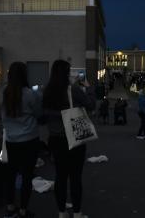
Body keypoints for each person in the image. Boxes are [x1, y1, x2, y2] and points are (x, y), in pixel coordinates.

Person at [43, 59, 95, 218]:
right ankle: (77, 213)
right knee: (75, 177)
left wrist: (57, 115)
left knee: (60, 176)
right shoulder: (73, 90)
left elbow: (43, 114)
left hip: (55, 139)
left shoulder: (47, 90)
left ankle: (61, 212)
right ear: (66, 73)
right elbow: (91, 105)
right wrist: (89, 87)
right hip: (74, 138)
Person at [0, 62, 42, 218]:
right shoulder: (30, 94)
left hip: (11, 139)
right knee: (27, 176)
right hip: (29, 139)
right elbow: (38, 114)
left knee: (10, 175)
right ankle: (23, 210)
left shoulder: (3, 92)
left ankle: (10, 207)